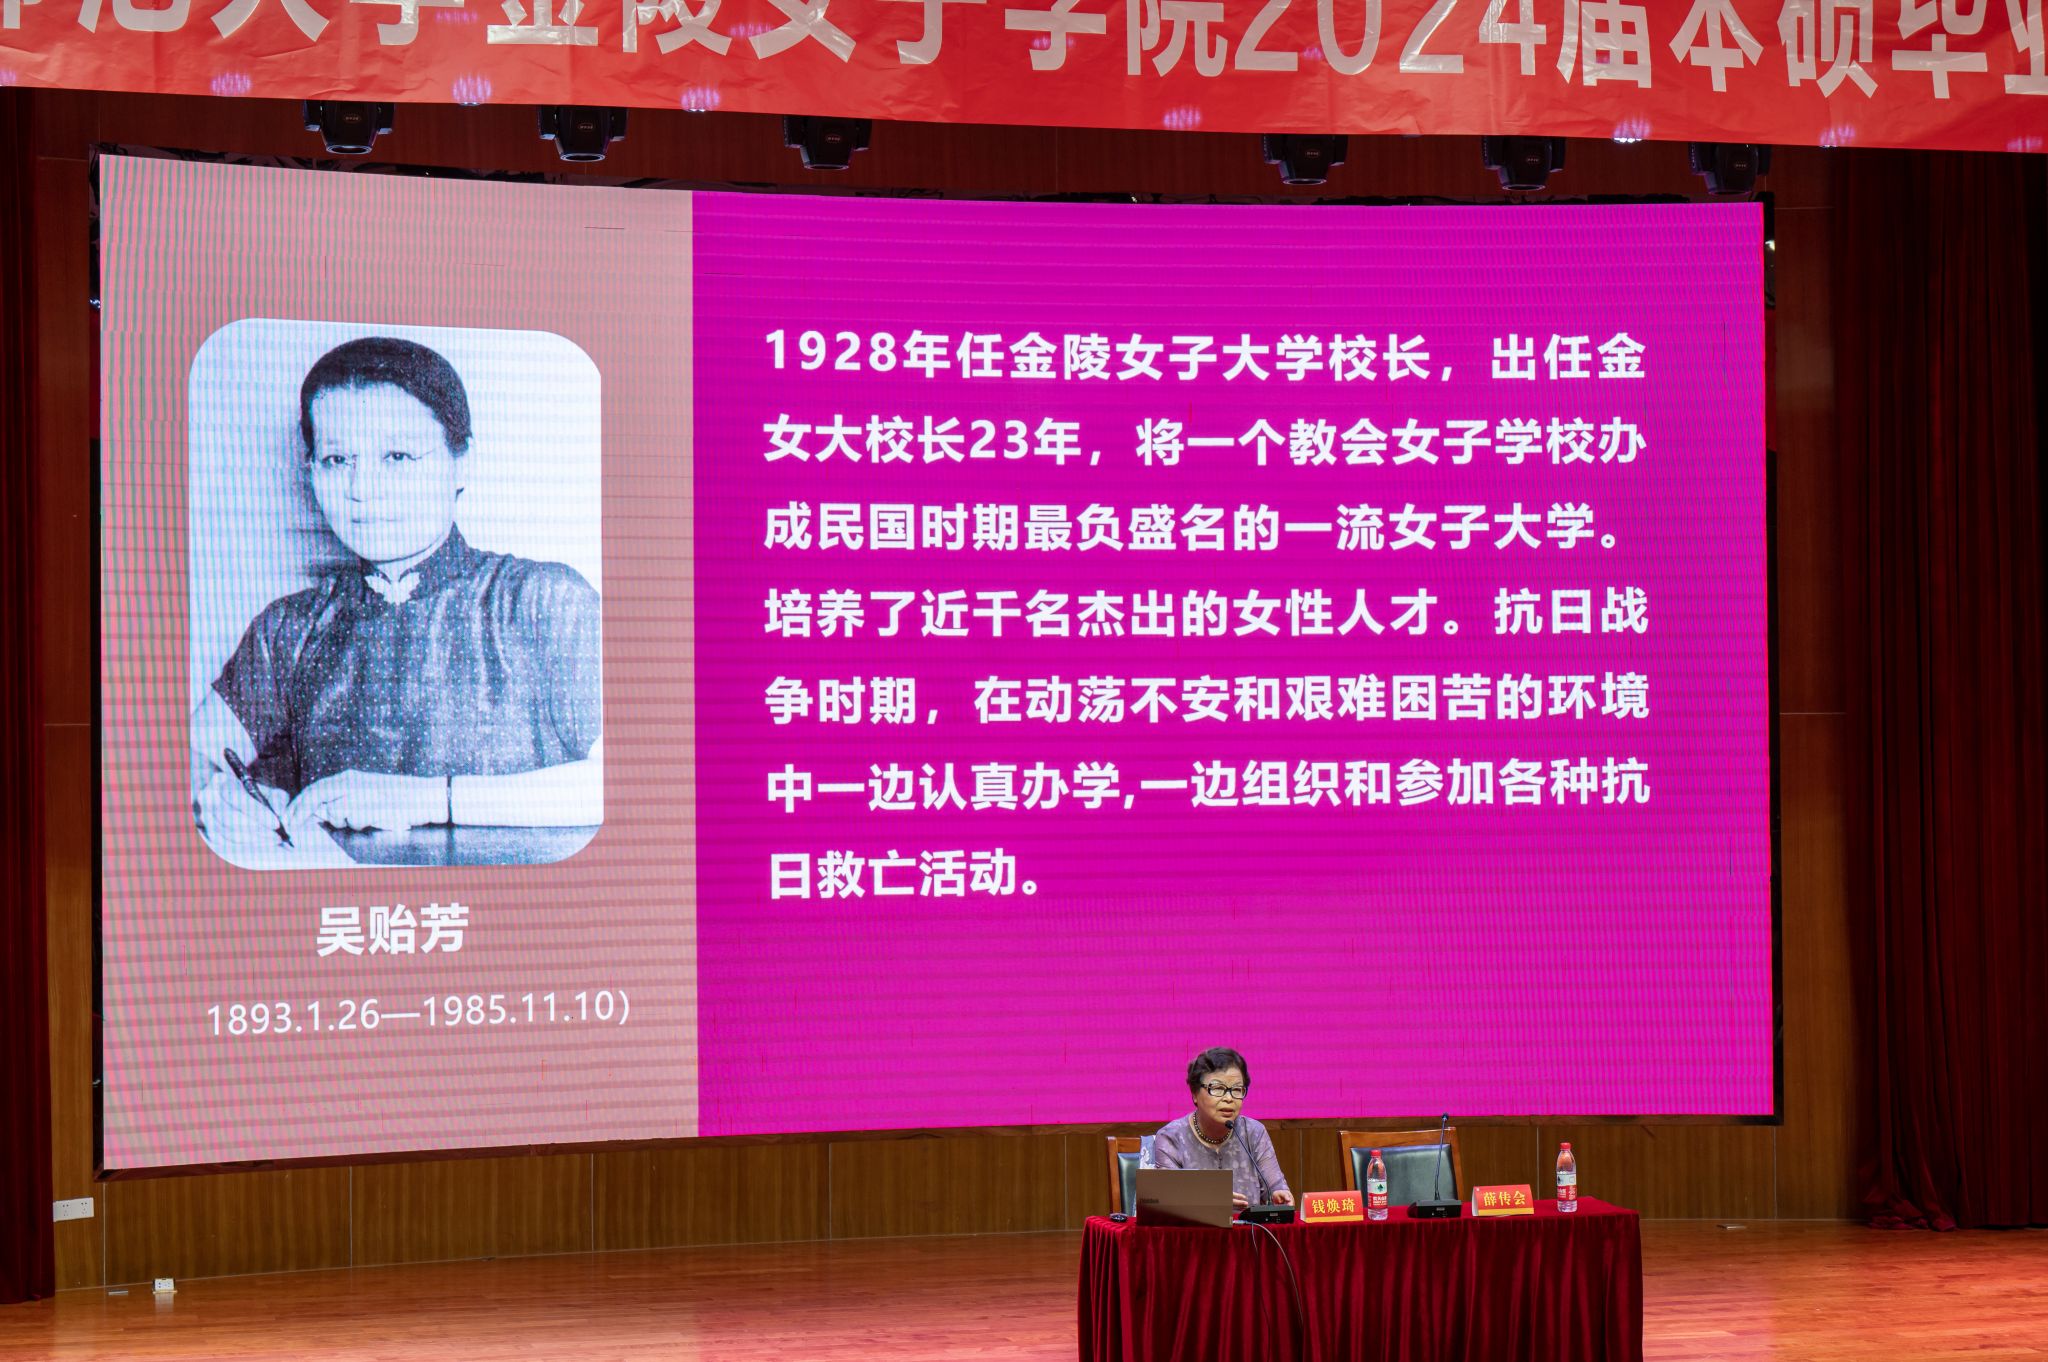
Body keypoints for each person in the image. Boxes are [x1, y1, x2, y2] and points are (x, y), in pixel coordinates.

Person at [191, 335, 602, 858]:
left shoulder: (540, 603)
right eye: (337, 459)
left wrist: (432, 799)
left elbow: (630, 780)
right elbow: (192, 756)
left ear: (462, 461)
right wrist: (219, 797)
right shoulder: (289, 628)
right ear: (310, 471)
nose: (363, 489)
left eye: (398, 456)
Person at [1148, 1046, 1294, 1209]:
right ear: (1194, 1093)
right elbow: (1167, 1200)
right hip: (1193, 1226)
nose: (1229, 1098)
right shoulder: (1171, 1137)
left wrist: (1279, 1194)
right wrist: (1210, 1200)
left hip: (1248, 1226)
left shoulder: (1254, 1132)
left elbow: (1275, 1186)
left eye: (1237, 1090)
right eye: (1217, 1088)